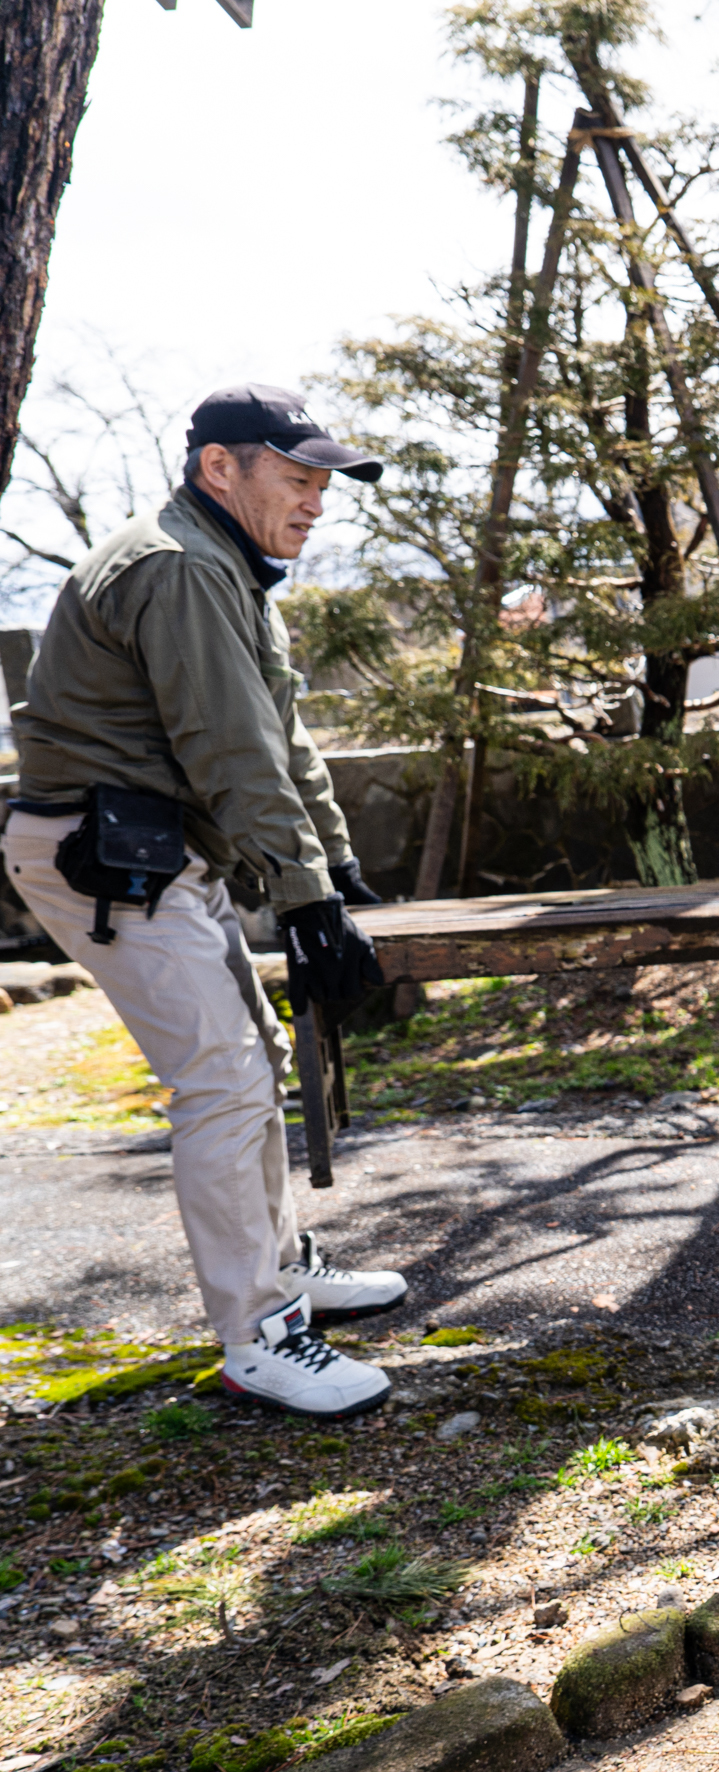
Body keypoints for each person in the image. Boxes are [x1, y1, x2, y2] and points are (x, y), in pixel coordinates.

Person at [3, 384, 405, 1418]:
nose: (316, 502)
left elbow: (281, 735)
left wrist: (334, 871)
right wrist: (305, 898)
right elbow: (230, 749)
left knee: (253, 1059)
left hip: (159, 850)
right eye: (298, 479)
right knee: (222, 1080)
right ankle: (257, 1334)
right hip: (105, 859)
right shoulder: (179, 568)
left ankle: (280, 1269)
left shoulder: (228, 567)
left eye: (324, 485)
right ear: (219, 468)